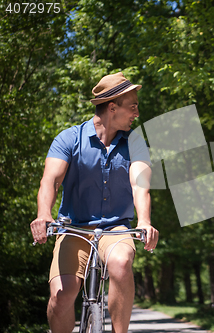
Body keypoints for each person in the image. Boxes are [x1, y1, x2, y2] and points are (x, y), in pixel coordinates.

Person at [30, 72, 159, 333]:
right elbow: (51, 181)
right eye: (132, 106)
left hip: (116, 229)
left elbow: (140, 184)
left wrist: (144, 220)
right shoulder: (69, 138)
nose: (137, 112)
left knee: (122, 263)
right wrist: (44, 214)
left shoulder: (134, 142)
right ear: (113, 107)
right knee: (62, 296)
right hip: (74, 228)